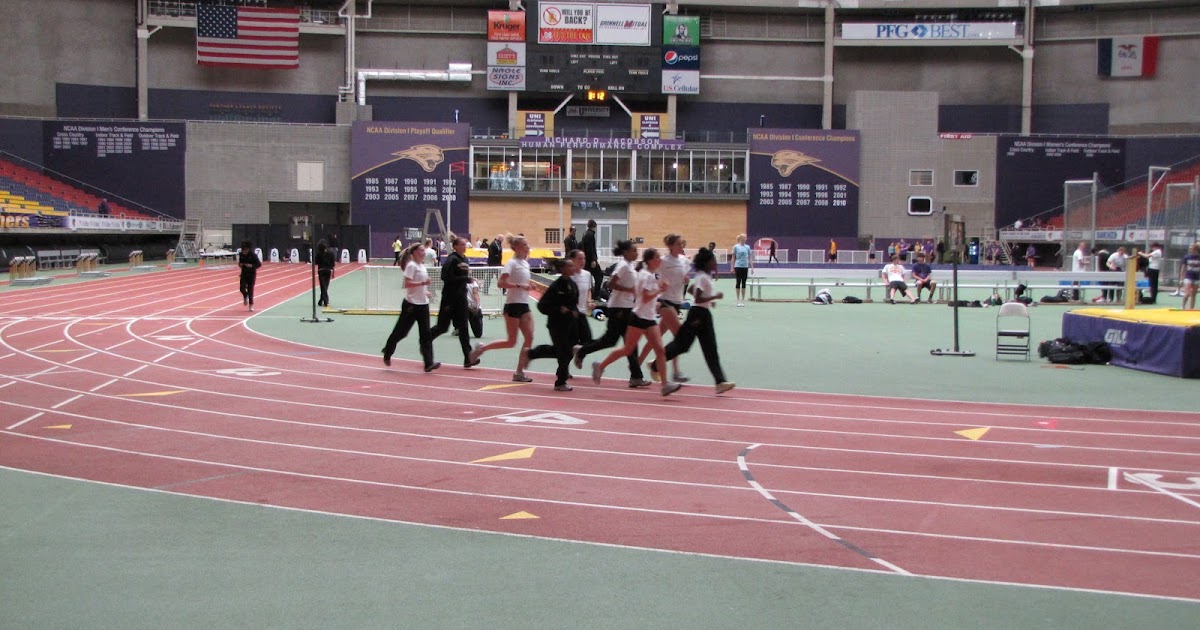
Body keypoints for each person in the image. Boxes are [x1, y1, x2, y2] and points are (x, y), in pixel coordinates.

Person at [591, 248, 682, 397]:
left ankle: (665, 385)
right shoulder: (647, 276)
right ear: (651, 260)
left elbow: (643, 297)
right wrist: (660, 291)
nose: (660, 260)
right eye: (658, 257)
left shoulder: (647, 275)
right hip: (640, 317)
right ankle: (600, 366)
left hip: (646, 317)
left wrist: (657, 303)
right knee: (628, 349)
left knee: (657, 350)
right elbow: (646, 297)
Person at [648, 247, 735, 395]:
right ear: (706, 262)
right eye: (713, 260)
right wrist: (714, 297)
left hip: (704, 313)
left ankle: (720, 382)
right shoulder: (702, 276)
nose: (715, 262)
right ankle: (655, 365)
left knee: (710, 348)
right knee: (683, 344)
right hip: (697, 315)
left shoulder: (705, 276)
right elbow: (698, 298)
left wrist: (708, 301)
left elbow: (692, 290)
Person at [573, 240, 650, 388]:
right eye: (634, 250)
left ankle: (636, 376)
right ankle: (583, 350)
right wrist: (629, 290)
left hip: (627, 308)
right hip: (618, 309)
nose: (636, 252)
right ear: (627, 252)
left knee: (625, 342)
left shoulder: (630, 266)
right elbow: (610, 284)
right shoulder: (622, 266)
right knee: (615, 341)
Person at [470, 234, 536, 381]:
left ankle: (519, 372)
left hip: (524, 305)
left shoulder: (526, 263)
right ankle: (482, 349)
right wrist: (519, 285)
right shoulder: (511, 264)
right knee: (511, 342)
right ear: (517, 247)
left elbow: (524, 281)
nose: (527, 246)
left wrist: (529, 285)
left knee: (530, 337)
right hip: (512, 306)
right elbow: (501, 284)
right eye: (525, 244)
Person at [521, 257, 581, 391]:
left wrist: (574, 311)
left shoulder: (573, 284)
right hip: (557, 324)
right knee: (564, 352)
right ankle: (560, 381)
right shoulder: (556, 286)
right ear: (563, 269)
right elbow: (542, 306)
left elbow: (574, 303)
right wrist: (559, 309)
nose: (573, 268)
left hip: (571, 324)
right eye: (570, 266)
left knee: (566, 351)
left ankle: (532, 353)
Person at [381, 242, 439, 372]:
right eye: (421, 251)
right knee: (401, 332)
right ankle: (388, 351)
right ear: (414, 253)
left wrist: (425, 291)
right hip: (411, 305)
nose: (424, 253)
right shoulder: (411, 266)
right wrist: (423, 283)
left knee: (426, 334)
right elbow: (407, 284)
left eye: (424, 251)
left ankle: (428, 363)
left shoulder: (422, 266)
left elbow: (420, 286)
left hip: (423, 304)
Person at [639, 234, 689, 383]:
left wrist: (685, 280)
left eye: (682, 244)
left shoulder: (683, 260)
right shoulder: (664, 261)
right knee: (680, 338)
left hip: (677, 302)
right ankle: (675, 371)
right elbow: (650, 270)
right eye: (679, 244)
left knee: (655, 339)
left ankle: (637, 366)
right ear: (671, 246)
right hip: (665, 302)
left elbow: (684, 278)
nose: (681, 247)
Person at [429, 236, 478, 368]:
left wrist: (466, 280)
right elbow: (445, 277)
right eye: (461, 244)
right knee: (442, 327)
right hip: (449, 298)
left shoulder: (465, 259)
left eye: (465, 244)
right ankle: (425, 340)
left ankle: (468, 358)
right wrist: (465, 278)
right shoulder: (452, 259)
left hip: (461, 298)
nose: (464, 246)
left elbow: (463, 278)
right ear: (455, 246)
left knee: (463, 327)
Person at [567, 248, 595, 346]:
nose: (583, 261)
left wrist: (589, 302)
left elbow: (588, 290)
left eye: (584, 259)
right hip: (570, 314)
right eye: (580, 259)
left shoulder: (587, 274)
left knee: (587, 339)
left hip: (582, 312)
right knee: (569, 343)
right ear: (572, 260)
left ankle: (578, 358)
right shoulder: (568, 276)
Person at [237, 240, 262, 311]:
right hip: (244, 273)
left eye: (245, 250)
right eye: (242, 250)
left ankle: (251, 305)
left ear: (248, 249)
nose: (243, 251)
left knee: (250, 290)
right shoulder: (241, 254)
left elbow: (259, 264)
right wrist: (240, 265)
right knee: (242, 288)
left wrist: (251, 266)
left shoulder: (253, 255)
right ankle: (245, 295)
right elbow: (240, 263)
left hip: (251, 274)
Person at [731, 233, 752, 307]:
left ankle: (743, 300)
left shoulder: (748, 247)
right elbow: (733, 258)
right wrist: (732, 267)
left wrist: (752, 267)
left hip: (745, 266)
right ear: (741, 238)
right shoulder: (736, 247)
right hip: (738, 266)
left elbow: (749, 257)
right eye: (744, 237)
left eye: (746, 237)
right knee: (738, 282)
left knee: (744, 282)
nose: (746, 238)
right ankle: (738, 300)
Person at [580, 220, 601, 291]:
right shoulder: (590, 235)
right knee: (599, 276)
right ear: (594, 226)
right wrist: (593, 260)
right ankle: (596, 294)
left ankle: (591, 293)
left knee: (587, 278)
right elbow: (591, 248)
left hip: (586, 260)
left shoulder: (585, 234)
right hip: (590, 260)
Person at [315, 239, 336, 307]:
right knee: (325, 286)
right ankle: (323, 300)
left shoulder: (318, 253)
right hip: (328, 270)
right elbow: (333, 263)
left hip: (321, 270)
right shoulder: (331, 253)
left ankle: (324, 300)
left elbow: (316, 262)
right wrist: (333, 272)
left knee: (323, 286)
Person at [1181, 243, 1200, 310]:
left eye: (1192, 249)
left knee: (1193, 294)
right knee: (1187, 293)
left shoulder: (1198, 257)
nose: (1190, 250)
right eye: (1190, 249)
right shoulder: (1187, 257)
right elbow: (1183, 268)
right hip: (1188, 277)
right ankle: (1183, 306)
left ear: (1196, 250)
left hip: (1197, 277)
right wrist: (1181, 278)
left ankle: (1191, 308)